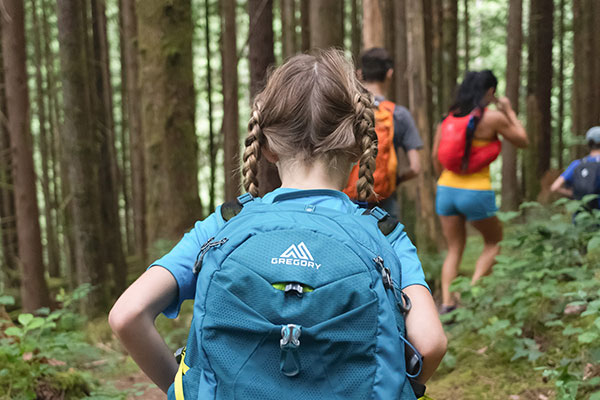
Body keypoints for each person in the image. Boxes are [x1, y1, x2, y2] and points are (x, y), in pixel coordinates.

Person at [109, 50, 446, 399]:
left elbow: (127, 315)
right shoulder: (385, 234)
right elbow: (430, 345)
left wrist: (180, 388)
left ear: (267, 145)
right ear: (359, 145)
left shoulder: (225, 225)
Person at [432, 70, 528, 314]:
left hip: (446, 189)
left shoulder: (448, 119)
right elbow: (523, 140)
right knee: (494, 241)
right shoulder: (493, 118)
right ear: (489, 92)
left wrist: (443, 181)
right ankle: (472, 295)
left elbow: (435, 157)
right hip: (475, 192)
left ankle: (447, 303)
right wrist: (509, 111)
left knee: (454, 248)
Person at [343, 48, 423, 218]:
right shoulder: (399, 114)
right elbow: (416, 168)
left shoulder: (346, 110)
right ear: (389, 73)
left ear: (359, 74)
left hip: (345, 201)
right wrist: (394, 180)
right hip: (384, 203)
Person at [550, 126, 600, 210]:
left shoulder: (577, 164)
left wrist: (575, 193)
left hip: (581, 214)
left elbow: (555, 187)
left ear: (589, 143)